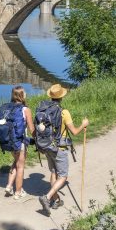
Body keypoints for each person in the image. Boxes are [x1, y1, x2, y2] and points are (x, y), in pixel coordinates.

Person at [38, 84, 89, 215]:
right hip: (59, 148)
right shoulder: (63, 112)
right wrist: (83, 125)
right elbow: (74, 132)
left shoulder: (44, 110)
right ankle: (47, 197)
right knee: (63, 176)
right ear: (61, 97)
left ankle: (56, 201)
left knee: (53, 172)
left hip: (47, 146)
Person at [3, 86, 35, 200]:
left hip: (9, 141)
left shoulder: (8, 108)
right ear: (22, 95)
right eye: (24, 93)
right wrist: (38, 139)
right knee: (20, 166)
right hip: (20, 141)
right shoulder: (25, 109)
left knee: (16, 162)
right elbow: (31, 129)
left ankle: (9, 186)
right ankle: (18, 192)